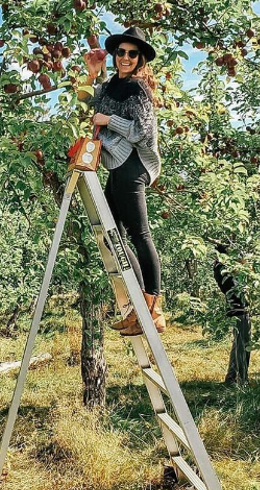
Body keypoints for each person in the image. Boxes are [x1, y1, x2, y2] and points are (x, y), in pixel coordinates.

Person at [83, 26, 164, 334]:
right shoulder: (110, 85)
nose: (126, 57)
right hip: (117, 165)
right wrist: (93, 73)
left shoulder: (137, 89)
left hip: (134, 165)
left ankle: (153, 309)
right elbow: (90, 104)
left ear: (140, 58)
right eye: (121, 52)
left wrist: (109, 121)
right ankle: (140, 305)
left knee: (140, 234)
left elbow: (143, 131)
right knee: (110, 234)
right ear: (115, 55)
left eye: (132, 53)